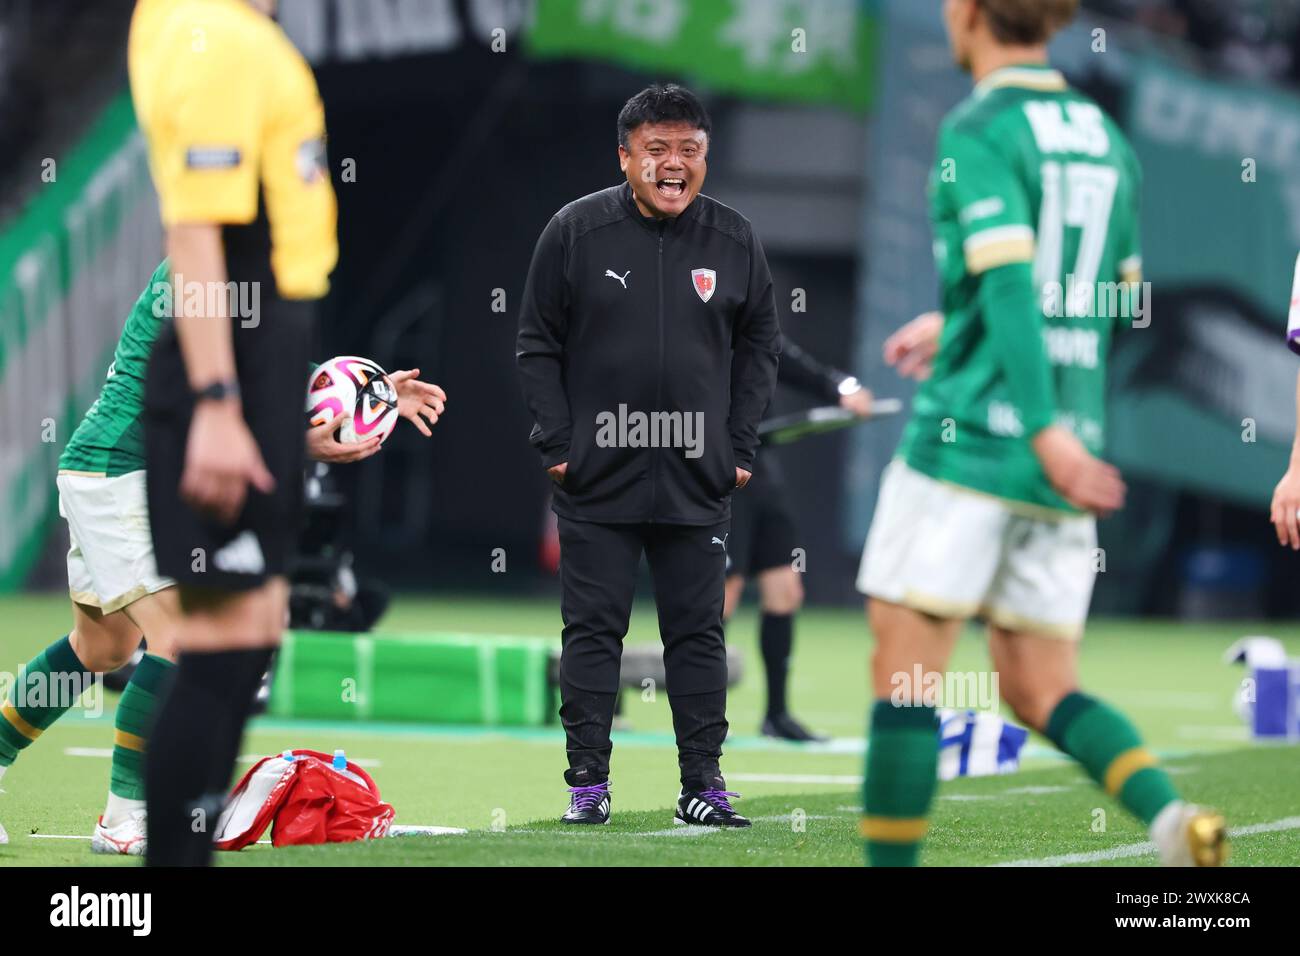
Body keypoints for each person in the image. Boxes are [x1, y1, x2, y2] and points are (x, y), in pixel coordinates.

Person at [855, 0, 1227, 867]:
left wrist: (1038, 425)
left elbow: (1017, 283)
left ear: (970, 13)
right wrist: (973, 334)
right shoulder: (1103, 136)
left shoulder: (980, 126)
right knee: (1039, 685)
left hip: (975, 447)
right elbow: (1110, 296)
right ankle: (1174, 824)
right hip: (1067, 462)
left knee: (904, 675)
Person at [0, 253, 442, 855]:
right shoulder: (201, 265)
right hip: (119, 472)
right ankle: (124, 819)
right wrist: (299, 439)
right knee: (181, 640)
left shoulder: (247, 266)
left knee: (101, 648)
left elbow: (268, 362)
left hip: (120, 472)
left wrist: (366, 393)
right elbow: (205, 399)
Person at [517, 83, 780, 827]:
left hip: (697, 472)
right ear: (626, 156)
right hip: (598, 471)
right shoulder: (574, 231)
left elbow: (763, 340)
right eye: (657, 151)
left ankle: (703, 786)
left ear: (706, 157)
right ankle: (588, 788)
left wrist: (739, 442)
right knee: (593, 632)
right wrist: (560, 445)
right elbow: (536, 341)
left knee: (697, 633)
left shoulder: (734, 239)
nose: (674, 166)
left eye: (689, 151)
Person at [129, 0, 334, 866]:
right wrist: (218, 400)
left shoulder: (225, 32)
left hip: (261, 355)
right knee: (218, 653)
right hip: (231, 361)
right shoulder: (212, 33)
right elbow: (196, 229)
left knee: (245, 645)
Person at [723, 338, 873, 742]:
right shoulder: (694, 323)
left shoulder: (755, 328)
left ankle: (777, 715)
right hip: (715, 474)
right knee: (723, 593)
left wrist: (843, 388)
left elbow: (795, 363)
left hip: (759, 472)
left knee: (786, 591)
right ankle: (704, 717)